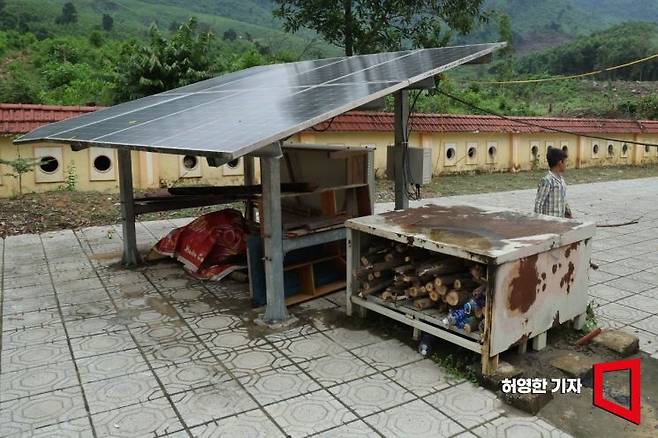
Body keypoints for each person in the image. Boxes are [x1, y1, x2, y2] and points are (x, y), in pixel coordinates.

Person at [534, 147, 573, 219]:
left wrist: (568, 213)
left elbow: (563, 199)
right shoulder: (547, 180)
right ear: (560, 162)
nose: (566, 165)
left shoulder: (561, 180)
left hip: (560, 220)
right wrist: (538, 221)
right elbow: (539, 203)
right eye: (565, 162)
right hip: (549, 221)